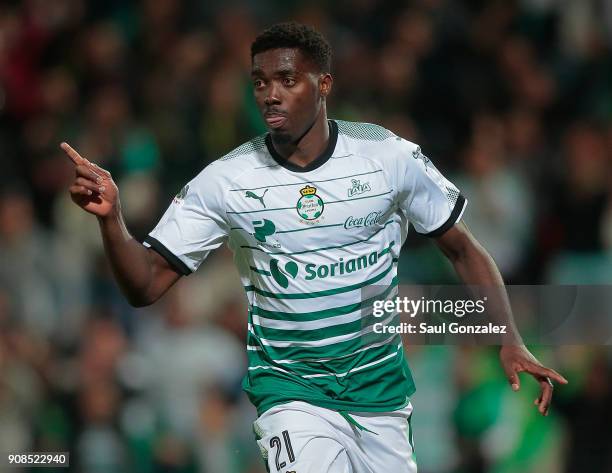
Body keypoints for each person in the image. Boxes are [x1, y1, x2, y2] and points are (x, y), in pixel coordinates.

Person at [62, 21, 567, 473]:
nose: (270, 95)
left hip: (381, 393)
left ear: (323, 84)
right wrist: (113, 221)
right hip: (291, 393)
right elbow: (145, 284)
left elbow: (462, 248)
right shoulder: (227, 180)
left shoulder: (387, 157)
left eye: (287, 80)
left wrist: (509, 337)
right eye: (260, 83)